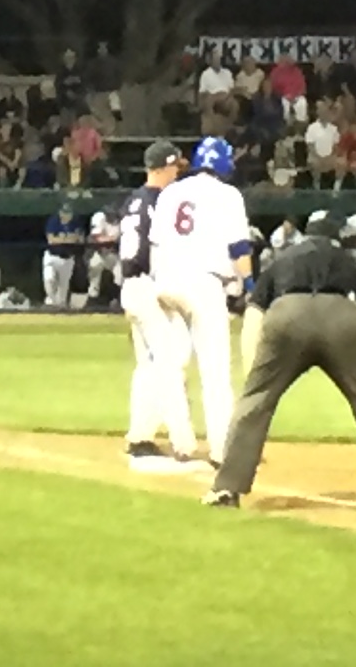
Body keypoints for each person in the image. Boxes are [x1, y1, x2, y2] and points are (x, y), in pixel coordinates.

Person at [205, 212, 356, 521]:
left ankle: (226, 489)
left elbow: (254, 313)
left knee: (254, 404)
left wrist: (253, 372)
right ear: (337, 236)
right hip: (341, 320)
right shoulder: (348, 261)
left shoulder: (283, 259)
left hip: (286, 317)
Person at [148, 134, 253, 467]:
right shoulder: (228, 195)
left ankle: (181, 442)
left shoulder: (172, 192)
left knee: (171, 364)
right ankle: (223, 450)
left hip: (165, 281)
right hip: (203, 283)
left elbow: (156, 243)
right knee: (215, 370)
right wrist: (248, 285)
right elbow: (239, 249)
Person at [118, 139, 200, 468]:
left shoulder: (134, 200)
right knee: (171, 361)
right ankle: (183, 442)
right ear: (164, 168)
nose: (177, 174)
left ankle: (140, 436)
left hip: (133, 285)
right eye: (174, 168)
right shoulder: (161, 203)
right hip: (151, 287)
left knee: (150, 365)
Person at [41, 202, 87, 310]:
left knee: (63, 289)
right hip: (52, 257)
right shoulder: (54, 221)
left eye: (68, 213)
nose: (66, 215)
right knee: (49, 278)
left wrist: (62, 239)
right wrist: (69, 239)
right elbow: (51, 240)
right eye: (64, 212)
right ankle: (51, 302)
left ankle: (60, 309)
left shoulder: (76, 223)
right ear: (60, 213)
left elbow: (80, 239)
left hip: (67, 259)